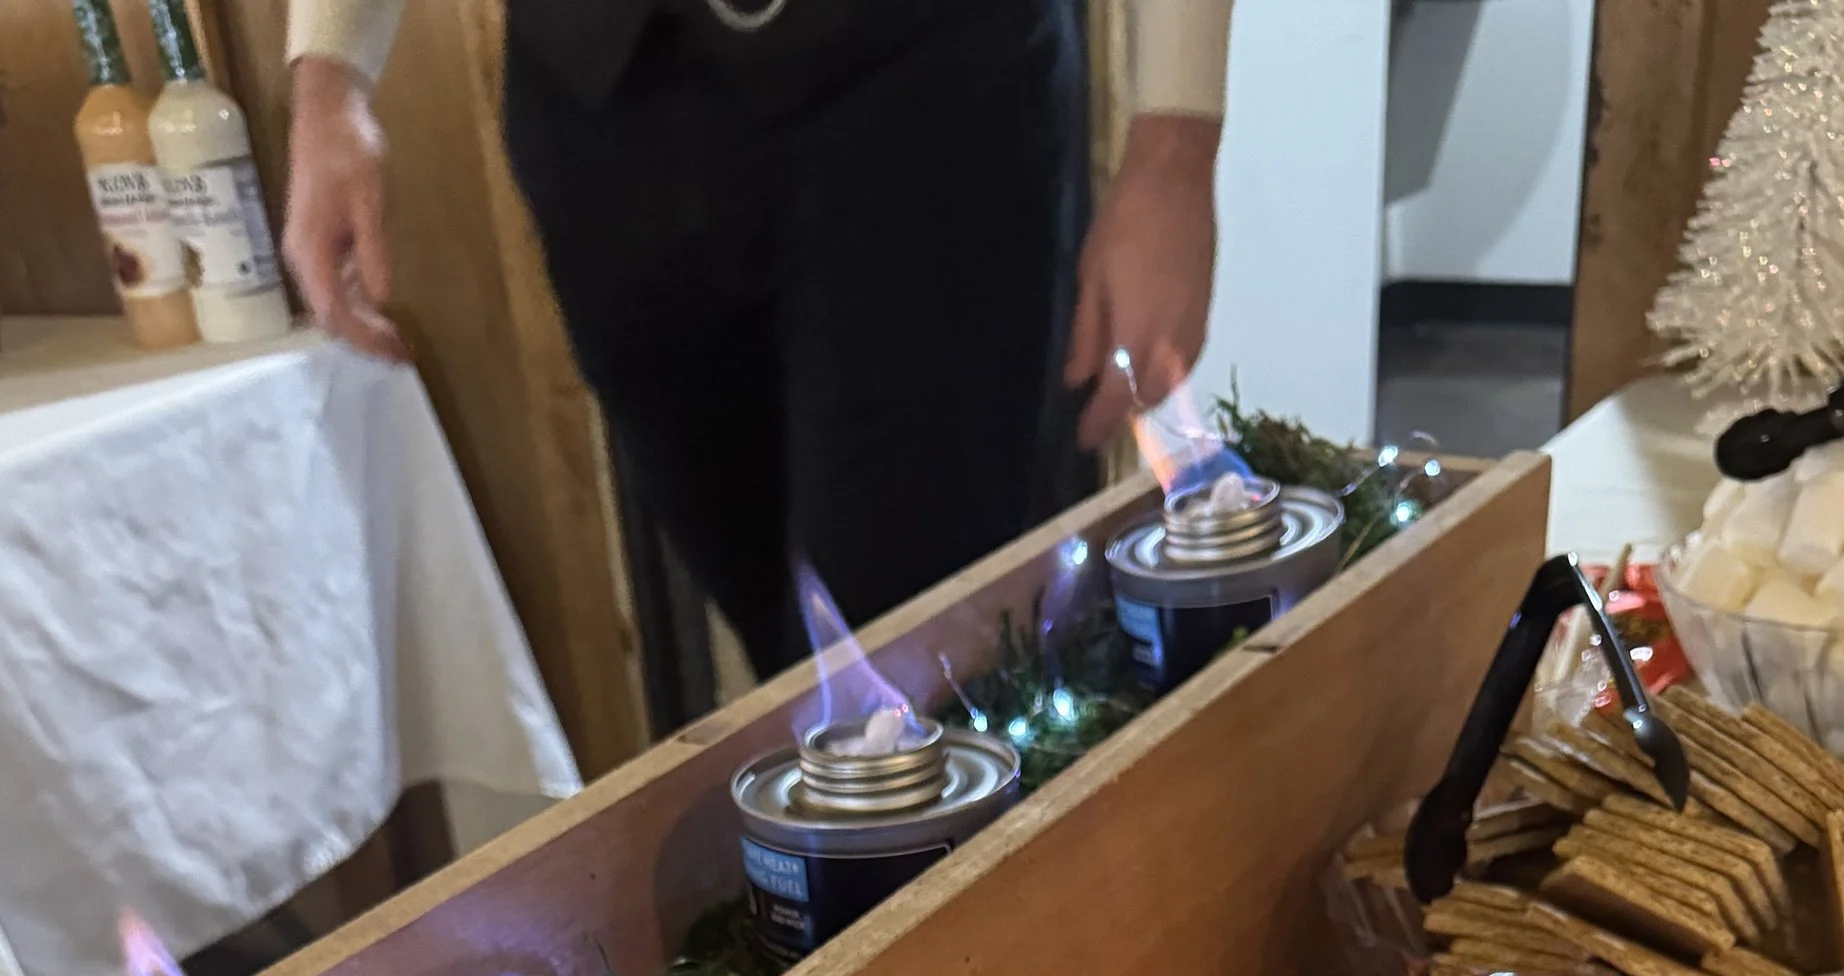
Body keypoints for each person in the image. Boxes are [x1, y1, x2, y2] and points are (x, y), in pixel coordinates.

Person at [282, 0, 1235, 679]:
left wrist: (1175, 145)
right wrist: (329, 73)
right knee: (789, 653)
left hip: (928, 89)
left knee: (923, 646)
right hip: (603, 109)